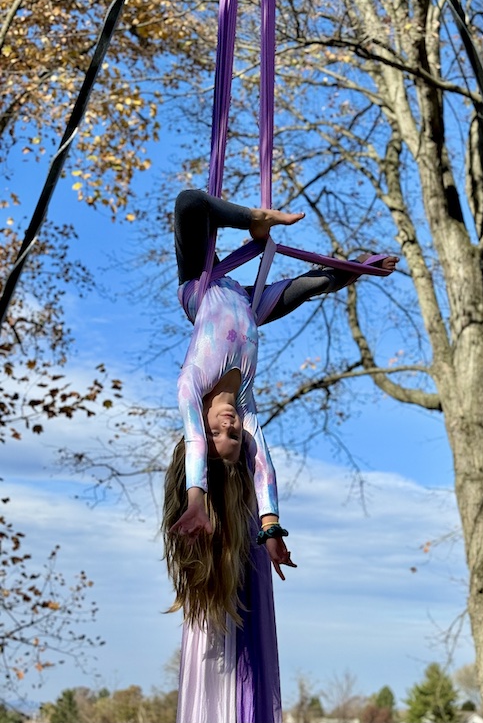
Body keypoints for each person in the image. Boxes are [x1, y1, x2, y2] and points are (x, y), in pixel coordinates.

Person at [162, 189, 397, 723]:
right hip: (248, 300)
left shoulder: (191, 385)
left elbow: (192, 206)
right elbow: (305, 287)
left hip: (202, 287)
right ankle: (261, 226)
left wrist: (197, 497)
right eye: (233, 441)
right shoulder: (244, 405)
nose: (228, 432)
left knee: (189, 205)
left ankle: (254, 219)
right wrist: (356, 269)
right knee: (306, 287)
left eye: (219, 439)